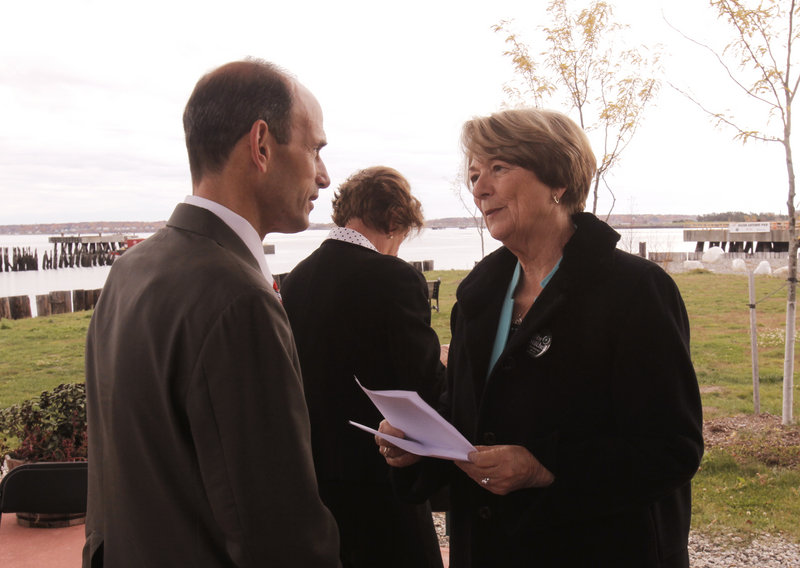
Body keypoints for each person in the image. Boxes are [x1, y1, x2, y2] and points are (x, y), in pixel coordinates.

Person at [377, 108, 704, 567]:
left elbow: (671, 448)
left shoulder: (634, 292)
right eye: (474, 174)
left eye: (499, 168)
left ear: (559, 182)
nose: (479, 188)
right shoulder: (479, 296)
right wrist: (417, 445)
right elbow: (468, 420)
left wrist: (544, 468)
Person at [83, 59, 341, 567]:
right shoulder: (238, 298)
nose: (325, 176)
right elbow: (278, 530)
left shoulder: (130, 270)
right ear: (261, 145)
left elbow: (111, 477)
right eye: (314, 149)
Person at [281, 166, 446, 568]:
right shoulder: (395, 277)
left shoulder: (296, 278)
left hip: (317, 478)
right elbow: (423, 381)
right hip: (382, 476)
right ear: (393, 220)